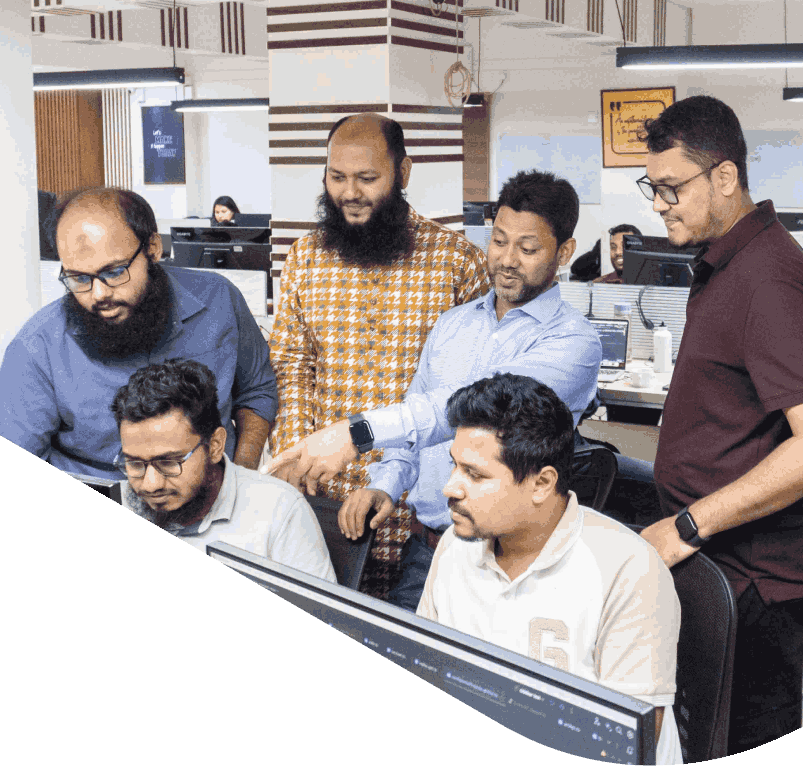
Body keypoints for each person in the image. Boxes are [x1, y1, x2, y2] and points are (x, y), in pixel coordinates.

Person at [265, 170, 602, 611]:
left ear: (564, 252)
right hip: (428, 552)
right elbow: (416, 418)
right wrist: (386, 485)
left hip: (515, 561)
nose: (507, 260)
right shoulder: (452, 325)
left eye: (528, 248)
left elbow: (473, 409)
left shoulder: (574, 343)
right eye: (499, 241)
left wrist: (355, 433)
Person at [630, 95, 803, 755]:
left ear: (725, 176)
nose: (658, 204)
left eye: (671, 187)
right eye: (652, 187)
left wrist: (686, 526)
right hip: (717, 573)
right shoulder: (729, 263)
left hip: (754, 589)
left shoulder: (768, 278)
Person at [267, 112, 490, 597]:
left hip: (417, 510)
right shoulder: (305, 257)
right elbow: (292, 366)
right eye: (337, 177)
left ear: (402, 173)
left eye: (367, 178)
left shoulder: (457, 262)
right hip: (320, 498)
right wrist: (298, 456)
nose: (350, 193)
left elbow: (471, 395)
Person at [416, 373, 682, 765]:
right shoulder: (456, 546)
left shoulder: (629, 570)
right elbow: (429, 668)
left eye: (475, 474)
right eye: (454, 466)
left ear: (542, 483)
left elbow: (625, 744)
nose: (451, 488)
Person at [0, 187, 278, 478]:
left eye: (114, 272)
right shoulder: (38, 346)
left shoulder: (219, 300)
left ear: (153, 248)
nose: (98, 294)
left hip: (216, 490)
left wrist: (242, 477)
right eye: (79, 278)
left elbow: (256, 391)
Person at [112, 358, 336, 583]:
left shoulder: (280, 511)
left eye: (169, 462)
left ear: (215, 446)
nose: (151, 484)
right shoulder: (119, 497)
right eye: (135, 464)